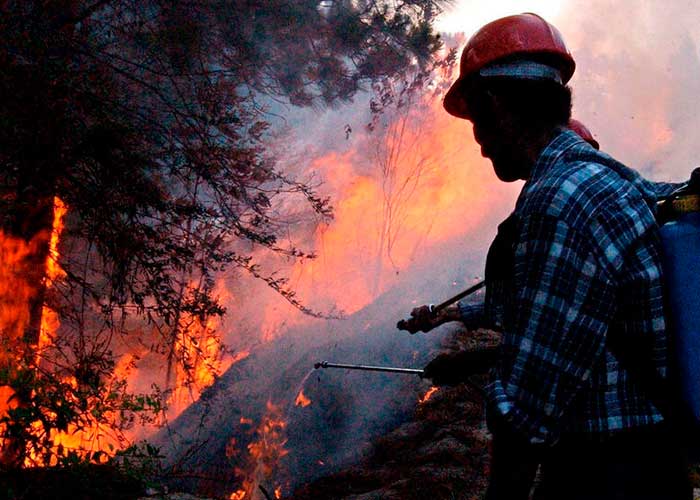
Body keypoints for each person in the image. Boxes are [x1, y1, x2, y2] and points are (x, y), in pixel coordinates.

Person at [401, 13, 692, 500]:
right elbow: (559, 323)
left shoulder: (560, 202)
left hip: (607, 472)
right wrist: (459, 335)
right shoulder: (609, 179)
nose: (479, 146)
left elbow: (530, 404)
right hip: (651, 462)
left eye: (475, 121)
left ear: (495, 104)